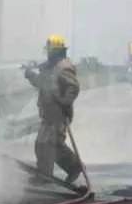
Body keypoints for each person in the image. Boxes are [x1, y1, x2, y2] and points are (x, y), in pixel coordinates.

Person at [24, 34, 87, 191]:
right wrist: (31, 75)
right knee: (43, 144)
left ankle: (68, 169)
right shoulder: (51, 67)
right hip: (48, 114)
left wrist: (63, 102)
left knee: (51, 143)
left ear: (57, 51)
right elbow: (43, 84)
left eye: (50, 51)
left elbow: (73, 87)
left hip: (58, 114)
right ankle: (47, 173)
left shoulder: (63, 67)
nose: (48, 53)